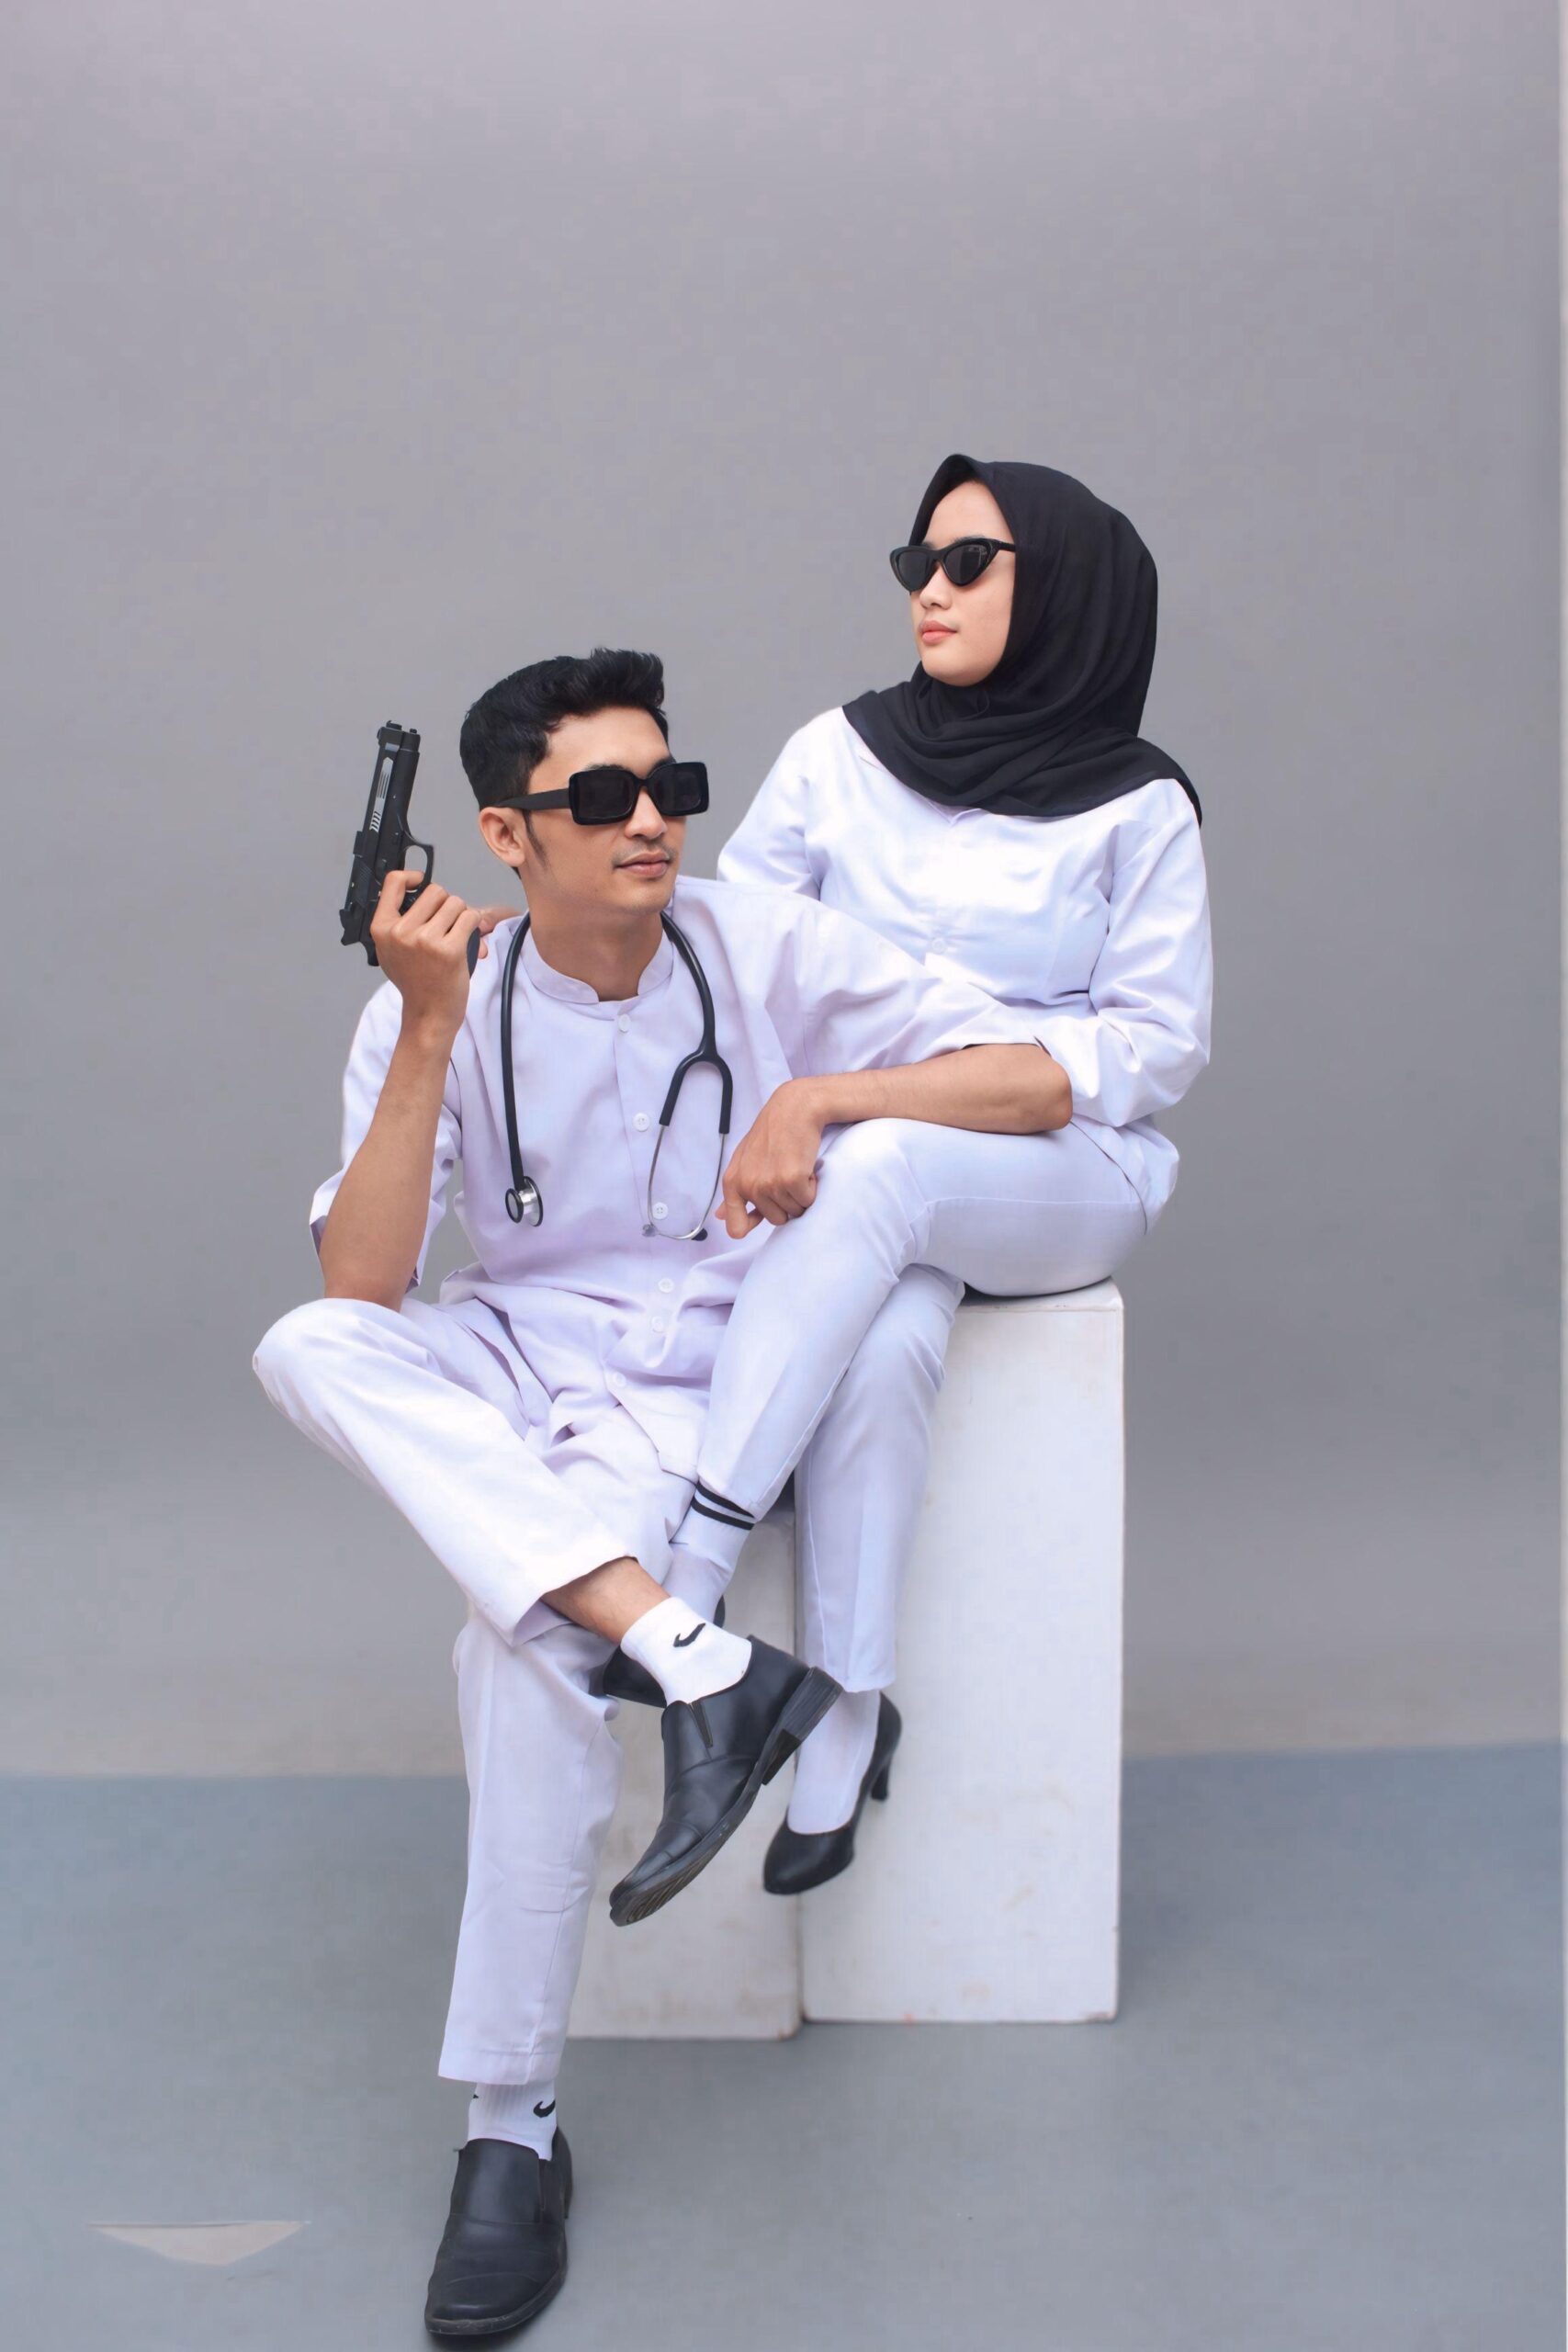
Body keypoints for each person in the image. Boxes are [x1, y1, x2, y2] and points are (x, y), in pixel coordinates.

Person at [252, 647, 1071, 2341]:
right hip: (521, 1357)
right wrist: (425, 1026)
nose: (654, 822)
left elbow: (1034, 1077)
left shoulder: (759, 945)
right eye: (606, 796)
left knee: (524, 1651)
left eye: (672, 785)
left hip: (695, 1384)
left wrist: (829, 1095)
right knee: (307, 1345)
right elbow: (366, 1280)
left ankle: (509, 2126)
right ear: (506, 833)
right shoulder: (435, 1002)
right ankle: (699, 1656)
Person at [636, 454, 1213, 1892]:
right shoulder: (838, 754)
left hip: (1064, 1174)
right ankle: (844, 1708)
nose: (928, 592)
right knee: (888, 1333)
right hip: (859, 1179)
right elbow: (737, 961)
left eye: (969, 564)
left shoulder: (1138, 807)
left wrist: (846, 1093)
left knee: (888, 1164)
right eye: (917, 564)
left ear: (1061, 589)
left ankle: (688, 1584)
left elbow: (1130, 1056)